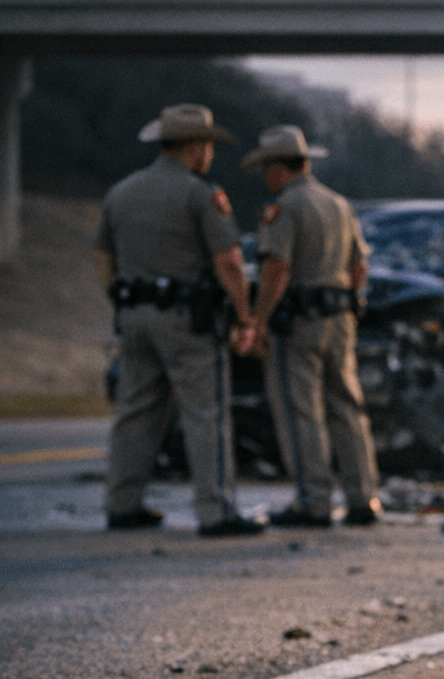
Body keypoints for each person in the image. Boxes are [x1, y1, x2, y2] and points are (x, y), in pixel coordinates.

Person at [95, 104, 264, 536]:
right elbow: (228, 259)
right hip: (189, 320)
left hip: (134, 316)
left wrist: (122, 299)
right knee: (205, 414)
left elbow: (103, 256)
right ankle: (217, 511)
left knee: (135, 411)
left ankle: (122, 504)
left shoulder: (121, 192)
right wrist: (246, 315)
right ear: (197, 148)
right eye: (208, 146)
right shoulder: (200, 194)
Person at [242, 125, 380, 527]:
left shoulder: (284, 207)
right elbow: (359, 267)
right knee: (348, 409)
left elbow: (277, 269)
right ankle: (363, 498)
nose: (265, 178)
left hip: (299, 323)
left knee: (301, 411)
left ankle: (313, 501)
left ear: (277, 168)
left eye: (266, 169)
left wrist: (260, 320)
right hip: (340, 321)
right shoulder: (339, 204)